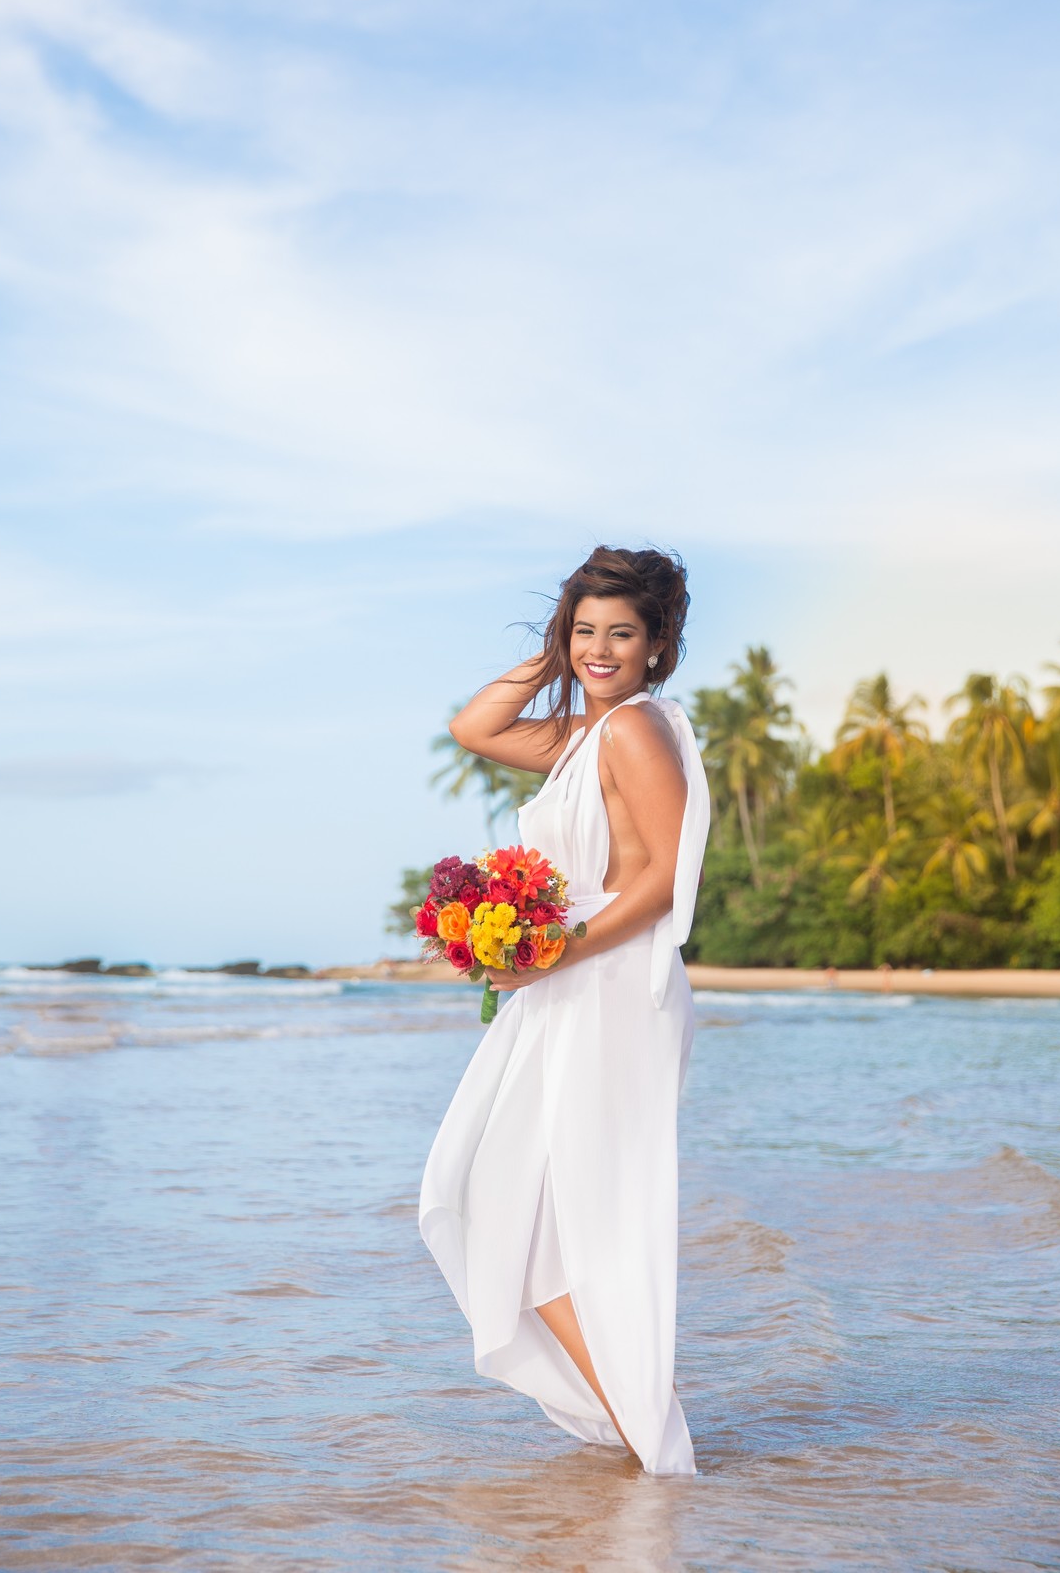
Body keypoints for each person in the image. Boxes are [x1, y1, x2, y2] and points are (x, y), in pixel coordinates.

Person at [418, 545, 709, 1477]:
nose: (601, 648)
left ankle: (654, 1451)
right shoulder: (587, 734)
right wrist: (558, 655)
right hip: (567, 989)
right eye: (586, 630)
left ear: (658, 644)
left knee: (572, 1218)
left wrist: (549, 952)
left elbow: (662, 881)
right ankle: (646, 1439)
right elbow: (474, 725)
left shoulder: (634, 731)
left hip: (610, 990)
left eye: (622, 633)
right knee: (500, 1204)